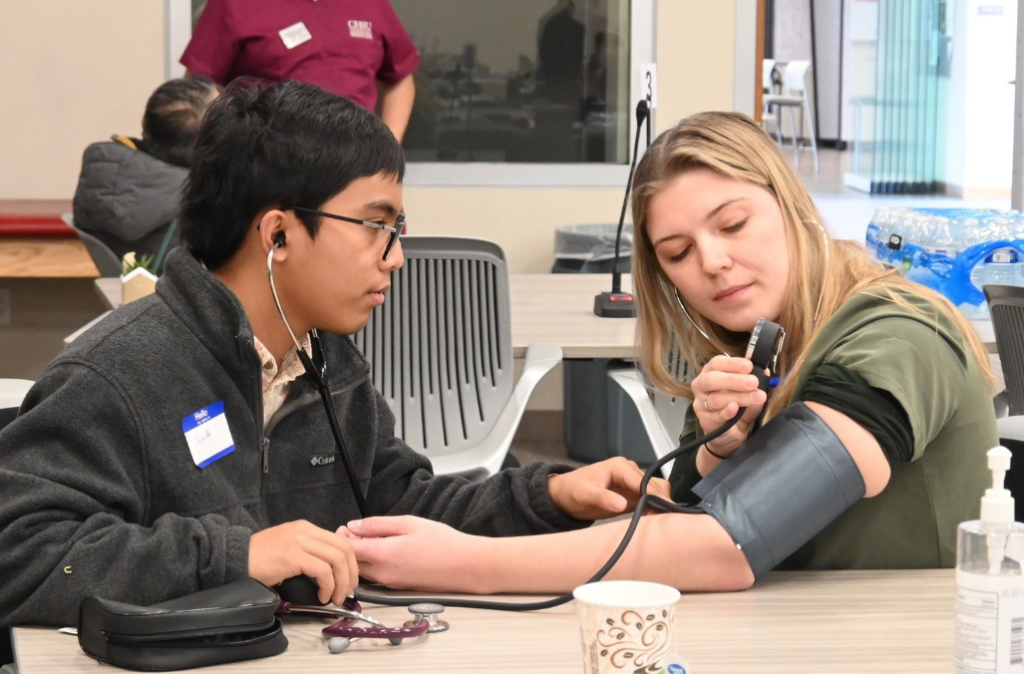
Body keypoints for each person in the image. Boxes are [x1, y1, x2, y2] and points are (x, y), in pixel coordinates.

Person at [0, 80, 669, 627]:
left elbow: (400, 508)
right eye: (377, 225)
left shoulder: (327, 364)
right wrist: (238, 555)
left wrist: (550, 495)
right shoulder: (117, 374)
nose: (397, 256)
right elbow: (22, 557)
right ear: (278, 234)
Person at [339, 111, 998, 593]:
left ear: (791, 206)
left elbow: (727, 542)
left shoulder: (898, 335)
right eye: (678, 253)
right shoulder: (756, 352)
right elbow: (691, 510)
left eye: (734, 224)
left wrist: (463, 564)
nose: (713, 262)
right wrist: (716, 449)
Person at [180, 0, 419, 142]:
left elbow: (400, 79)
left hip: (360, 167)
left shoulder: (369, 2)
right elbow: (198, 89)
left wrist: (389, 148)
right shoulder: (234, 2)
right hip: (270, 170)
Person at [72, 77, 219, 269]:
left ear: (143, 123)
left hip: (125, 293)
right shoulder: (206, 204)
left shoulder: (99, 172)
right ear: (216, 142)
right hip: (173, 296)